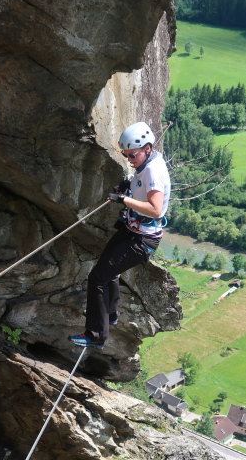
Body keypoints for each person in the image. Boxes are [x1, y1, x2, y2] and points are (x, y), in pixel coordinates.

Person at [68, 122, 171, 348]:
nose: (129, 159)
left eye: (132, 155)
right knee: (107, 271)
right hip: (132, 231)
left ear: (146, 148)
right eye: (126, 155)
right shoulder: (149, 161)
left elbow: (154, 208)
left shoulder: (153, 170)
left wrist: (123, 200)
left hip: (142, 240)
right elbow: (141, 185)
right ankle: (110, 314)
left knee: (97, 278)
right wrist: (128, 186)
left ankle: (95, 335)